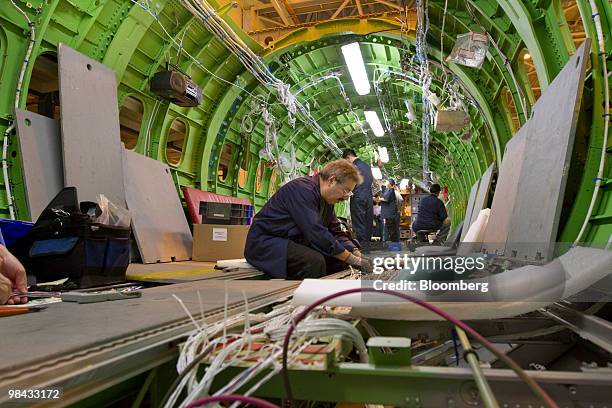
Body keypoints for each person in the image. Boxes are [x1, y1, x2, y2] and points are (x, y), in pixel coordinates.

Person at [245, 159, 373, 279]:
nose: (346, 197)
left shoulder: (327, 201)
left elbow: (335, 232)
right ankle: (304, 300)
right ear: (331, 180)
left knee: (338, 261)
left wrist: (356, 252)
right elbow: (316, 232)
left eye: (349, 193)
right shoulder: (302, 190)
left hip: (291, 242)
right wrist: (351, 259)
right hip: (265, 243)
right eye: (345, 190)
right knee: (313, 262)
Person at [342, 149, 373, 252]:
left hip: (358, 196)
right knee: (368, 221)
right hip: (368, 197)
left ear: (348, 157)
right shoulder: (367, 166)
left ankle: (362, 248)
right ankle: (367, 247)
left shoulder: (353, 167)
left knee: (359, 222)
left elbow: (351, 182)